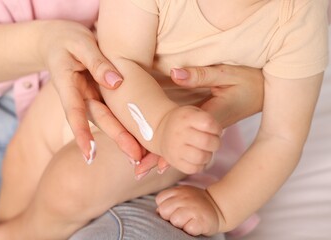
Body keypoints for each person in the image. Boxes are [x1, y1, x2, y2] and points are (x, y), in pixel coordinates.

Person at [0, 1, 264, 239]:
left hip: (160, 157)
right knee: (39, 165)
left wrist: (262, 89)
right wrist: (44, 42)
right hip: (6, 114)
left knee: (125, 220)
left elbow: (283, 123)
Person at [95, 0, 328, 236]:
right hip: (97, 118)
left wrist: (219, 207)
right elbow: (119, 63)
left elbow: (282, 138)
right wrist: (162, 125)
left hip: (167, 162)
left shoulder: (301, 16)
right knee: (70, 188)